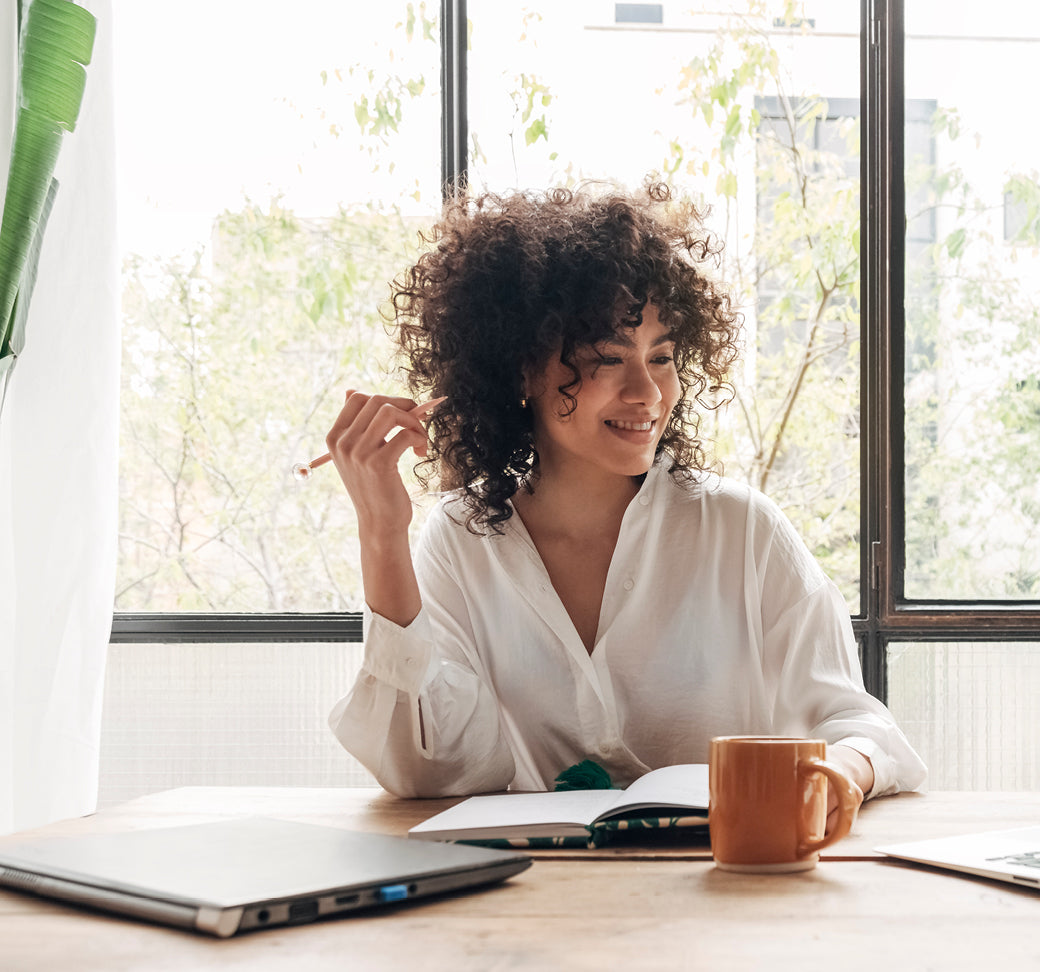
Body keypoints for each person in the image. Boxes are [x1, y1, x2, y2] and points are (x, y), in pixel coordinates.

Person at [327, 182, 927, 828]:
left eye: (663, 357)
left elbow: (862, 727)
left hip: (727, 900)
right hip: (534, 900)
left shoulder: (741, 531)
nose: (647, 392)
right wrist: (382, 535)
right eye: (606, 359)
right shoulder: (459, 540)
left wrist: (841, 772)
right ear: (521, 370)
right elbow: (429, 773)